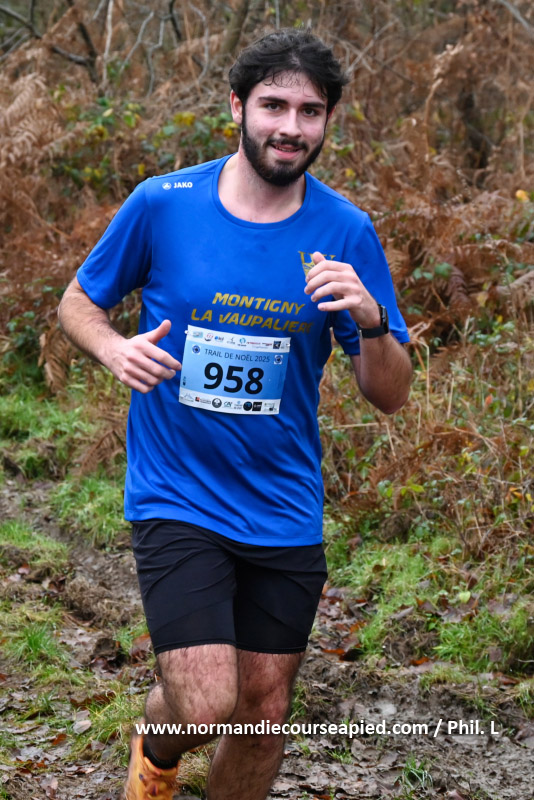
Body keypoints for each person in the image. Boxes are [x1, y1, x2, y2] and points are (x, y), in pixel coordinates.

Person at [58, 27, 412, 800]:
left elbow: (389, 393)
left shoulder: (345, 231)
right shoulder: (164, 204)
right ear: (237, 108)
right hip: (177, 493)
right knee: (206, 700)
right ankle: (158, 748)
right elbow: (79, 300)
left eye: (310, 111)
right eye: (274, 105)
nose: (291, 126)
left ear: (328, 121)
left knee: (263, 713)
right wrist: (114, 349)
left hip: (283, 504)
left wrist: (374, 320)